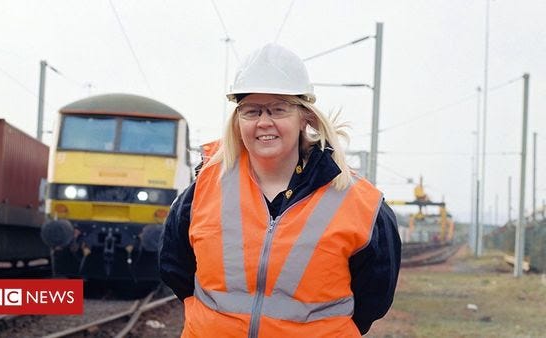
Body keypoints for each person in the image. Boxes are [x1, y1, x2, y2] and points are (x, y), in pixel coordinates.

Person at [159, 43, 401, 337]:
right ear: (237, 120)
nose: (264, 122)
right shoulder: (202, 191)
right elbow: (175, 266)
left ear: (305, 117)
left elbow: (374, 297)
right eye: (251, 111)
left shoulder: (362, 203)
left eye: (278, 109)